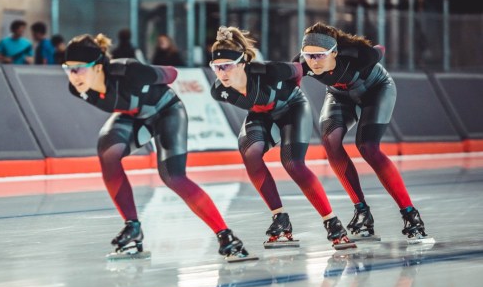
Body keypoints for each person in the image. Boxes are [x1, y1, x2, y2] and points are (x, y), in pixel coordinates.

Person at [62, 33, 254, 261]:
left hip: (166, 111)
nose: (73, 77)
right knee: (107, 151)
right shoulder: (78, 89)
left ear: (97, 67)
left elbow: (172, 74)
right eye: (68, 69)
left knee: (172, 176)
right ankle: (132, 228)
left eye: (79, 69)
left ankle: (227, 237)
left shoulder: (128, 72)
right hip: (135, 116)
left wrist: (151, 74)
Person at [209, 26, 353, 249]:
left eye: (226, 66)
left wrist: (289, 91)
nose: (222, 73)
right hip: (262, 114)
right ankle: (280, 219)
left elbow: (296, 70)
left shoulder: (266, 71)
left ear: (242, 63)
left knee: (292, 163)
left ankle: (332, 222)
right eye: (216, 68)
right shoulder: (219, 90)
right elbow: (255, 106)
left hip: (292, 108)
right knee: (249, 151)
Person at [293, 22, 430, 241]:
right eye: (308, 56)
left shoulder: (358, 56)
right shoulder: (301, 64)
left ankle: (410, 213)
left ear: (335, 52)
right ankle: (362, 211)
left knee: (367, 147)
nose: (313, 62)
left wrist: (375, 50)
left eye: (320, 56)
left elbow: (379, 51)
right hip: (339, 94)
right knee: (330, 139)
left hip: (376, 90)